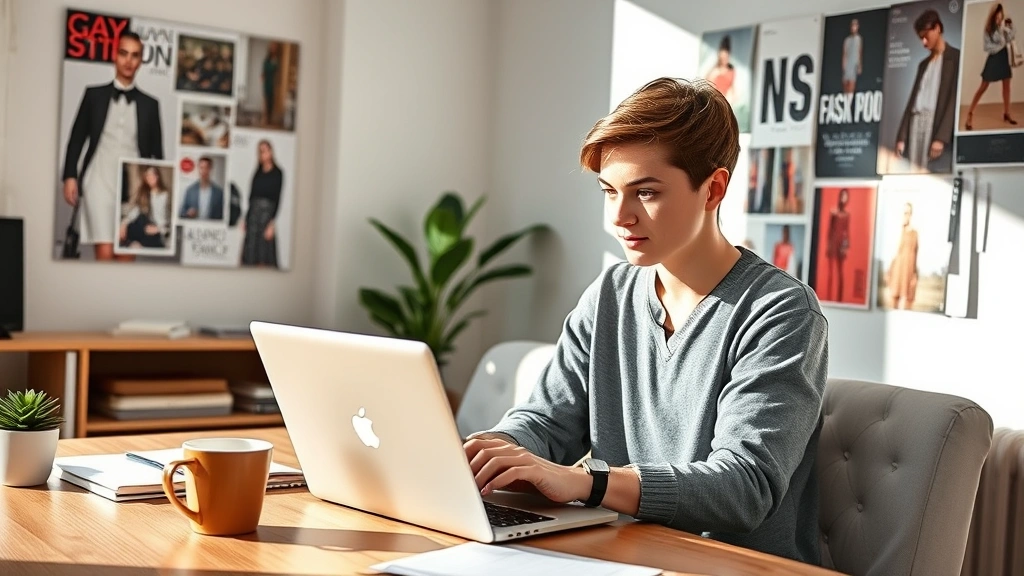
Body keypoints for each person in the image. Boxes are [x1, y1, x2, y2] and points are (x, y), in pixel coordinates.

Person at [463, 78, 829, 565]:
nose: (620, 217)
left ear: (713, 189)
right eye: (609, 191)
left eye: (647, 193)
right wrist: (494, 451)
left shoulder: (780, 311)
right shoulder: (611, 294)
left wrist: (590, 483)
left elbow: (745, 485)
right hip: (621, 556)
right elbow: (549, 420)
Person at [61, 31, 164, 261]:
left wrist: (157, 193)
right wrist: (69, 175)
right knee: (105, 254)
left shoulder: (150, 105)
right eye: (124, 53)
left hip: (133, 186)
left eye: (135, 55)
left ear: (140, 61)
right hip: (99, 178)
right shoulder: (93, 95)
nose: (128, 60)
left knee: (126, 255)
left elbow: (157, 153)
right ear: (114, 56)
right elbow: (77, 138)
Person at [895, 9, 960, 173]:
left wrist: (941, 137)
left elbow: (954, 100)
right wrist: (902, 137)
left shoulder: (956, 57)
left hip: (934, 123)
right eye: (920, 38)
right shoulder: (923, 64)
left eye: (926, 36)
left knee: (932, 174)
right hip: (916, 123)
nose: (924, 42)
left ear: (937, 28)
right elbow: (912, 101)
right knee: (914, 171)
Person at [965, 3, 1017, 130]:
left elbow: (1011, 38)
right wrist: (1001, 44)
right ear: (993, 16)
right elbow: (987, 47)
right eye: (997, 17)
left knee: (1007, 87)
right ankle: (970, 113)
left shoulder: (1003, 26)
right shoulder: (988, 29)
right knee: (983, 86)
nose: (999, 19)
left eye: (1001, 17)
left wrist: (1009, 27)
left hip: (1004, 58)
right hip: (994, 58)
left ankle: (1007, 113)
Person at [241, 140, 283, 267]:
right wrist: (246, 219)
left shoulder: (277, 173)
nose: (263, 154)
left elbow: (277, 199)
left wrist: (271, 223)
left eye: (265, 150)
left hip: (266, 217)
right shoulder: (257, 172)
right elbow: (251, 197)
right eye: (260, 152)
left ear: (271, 152)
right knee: (249, 256)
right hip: (253, 216)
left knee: (265, 257)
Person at [120, 165, 170, 250]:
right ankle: (134, 242)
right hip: (144, 226)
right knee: (137, 219)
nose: (150, 178)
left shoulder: (165, 194)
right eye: (148, 175)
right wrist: (124, 223)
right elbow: (136, 211)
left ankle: (138, 243)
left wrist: (158, 229)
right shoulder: (144, 193)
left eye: (152, 174)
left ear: (157, 176)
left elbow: (168, 219)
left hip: (158, 230)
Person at [887, 202, 919, 310]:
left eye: (908, 213)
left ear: (911, 214)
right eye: (904, 213)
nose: (906, 215)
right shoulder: (898, 231)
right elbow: (894, 252)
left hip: (908, 271)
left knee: (907, 302)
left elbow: (915, 254)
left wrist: (915, 274)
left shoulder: (914, 233)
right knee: (893, 300)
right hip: (897, 271)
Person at [825, 188, 852, 302]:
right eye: (842, 196)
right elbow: (830, 230)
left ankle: (839, 300)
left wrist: (845, 246)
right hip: (833, 243)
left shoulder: (847, 215)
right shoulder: (833, 212)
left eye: (846, 196)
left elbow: (847, 232)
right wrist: (828, 245)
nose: (843, 199)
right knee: (831, 274)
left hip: (841, 245)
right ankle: (829, 298)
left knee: (840, 274)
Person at [179, 156, 225, 220]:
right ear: (198, 169)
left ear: (210, 169)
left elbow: (222, 216)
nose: (204, 171)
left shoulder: (219, 193)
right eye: (201, 168)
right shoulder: (190, 190)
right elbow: (181, 213)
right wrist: (188, 213)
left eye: (206, 168)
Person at [704, 35, 736, 102]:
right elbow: (707, 83)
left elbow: (733, 89)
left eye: (725, 58)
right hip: (715, 100)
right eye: (722, 59)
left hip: (725, 100)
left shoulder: (731, 71)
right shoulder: (715, 70)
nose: (724, 61)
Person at [842, 18, 863, 94]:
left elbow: (859, 52)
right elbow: (845, 52)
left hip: (854, 63)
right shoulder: (847, 40)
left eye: (855, 25)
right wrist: (844, 64)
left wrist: (859, 65)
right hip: (848, 63)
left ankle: (849, 101)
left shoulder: (859, 39)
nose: (853, 27)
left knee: (852, 82)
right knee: (845, 82)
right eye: (852, 25)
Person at [262, 43, 281, 126]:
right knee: (266, 100)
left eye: (275, 47)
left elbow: (275, 68)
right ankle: (265, 119)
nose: (274, 49)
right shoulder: (268, 58)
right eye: (272, 47)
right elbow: (265, 68)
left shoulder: (276, 58)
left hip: (273, 83)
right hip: (267, 83)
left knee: (271, 102)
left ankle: (269, 119)